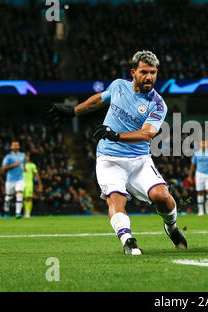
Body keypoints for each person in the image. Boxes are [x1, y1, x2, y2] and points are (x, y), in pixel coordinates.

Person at [47, 50, 187, 255]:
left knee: (162, 196)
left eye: (153, 72)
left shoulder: (157, 103)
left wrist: (117, 135)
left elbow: (147, 133)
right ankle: (128, 240)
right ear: (133, 72)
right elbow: (100, 99)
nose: (149, 77)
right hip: (109, 158)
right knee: (116, 197)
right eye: (144, 72)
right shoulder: (118, 86)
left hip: (139, 160)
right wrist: (74, 111)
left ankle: (172, 227)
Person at [1, 141, 26, 219]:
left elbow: (23, 163)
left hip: (20, 178)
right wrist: (14, 165)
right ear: (11, 147)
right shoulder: (8, 157)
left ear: (19, 146)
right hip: (10, 180)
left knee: (19, 194)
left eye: (17, 145)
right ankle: (6, 210)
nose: (15, 146)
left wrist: (24, 168)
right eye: (14, 145)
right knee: (9, 197)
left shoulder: (23, 155)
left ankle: (18, 213)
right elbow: (4, 167)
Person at [23, 152, 43, 218]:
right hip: (20, 183)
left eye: (27, 156)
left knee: (28, 197)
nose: (26, 158)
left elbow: (36, 175)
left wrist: (40, 184)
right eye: (25, 157)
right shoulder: (19, 165)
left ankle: (28, 213)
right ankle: (25, 211)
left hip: (29, 184)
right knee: (22, 198)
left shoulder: (32, 165)